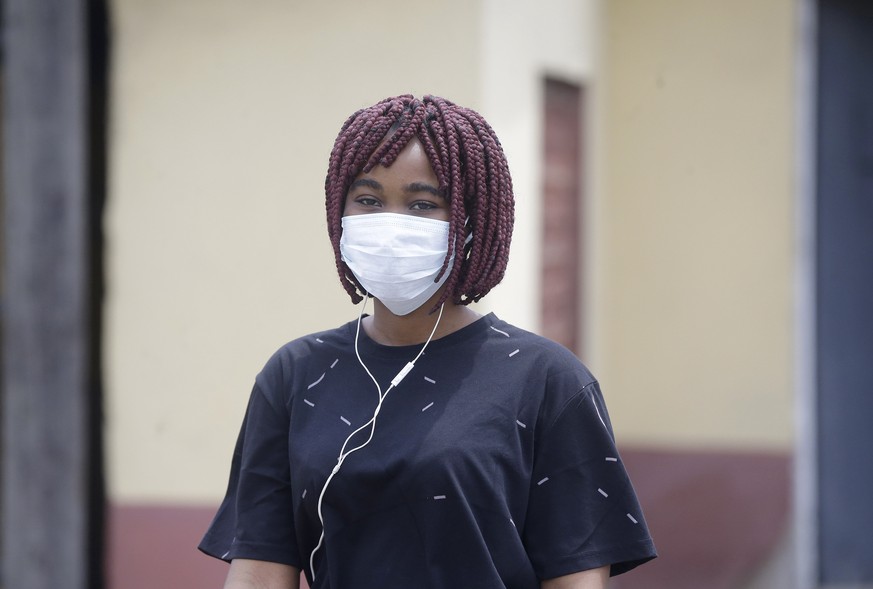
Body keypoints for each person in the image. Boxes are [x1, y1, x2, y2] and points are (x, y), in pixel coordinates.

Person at [199, 94, 656, 589]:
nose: (391, 225)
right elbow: (259, 572)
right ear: (339, 211)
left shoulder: (547, 380)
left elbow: (575, 580)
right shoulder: (294, 374)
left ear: (469, 222)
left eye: (423, 204)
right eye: (369, 200)